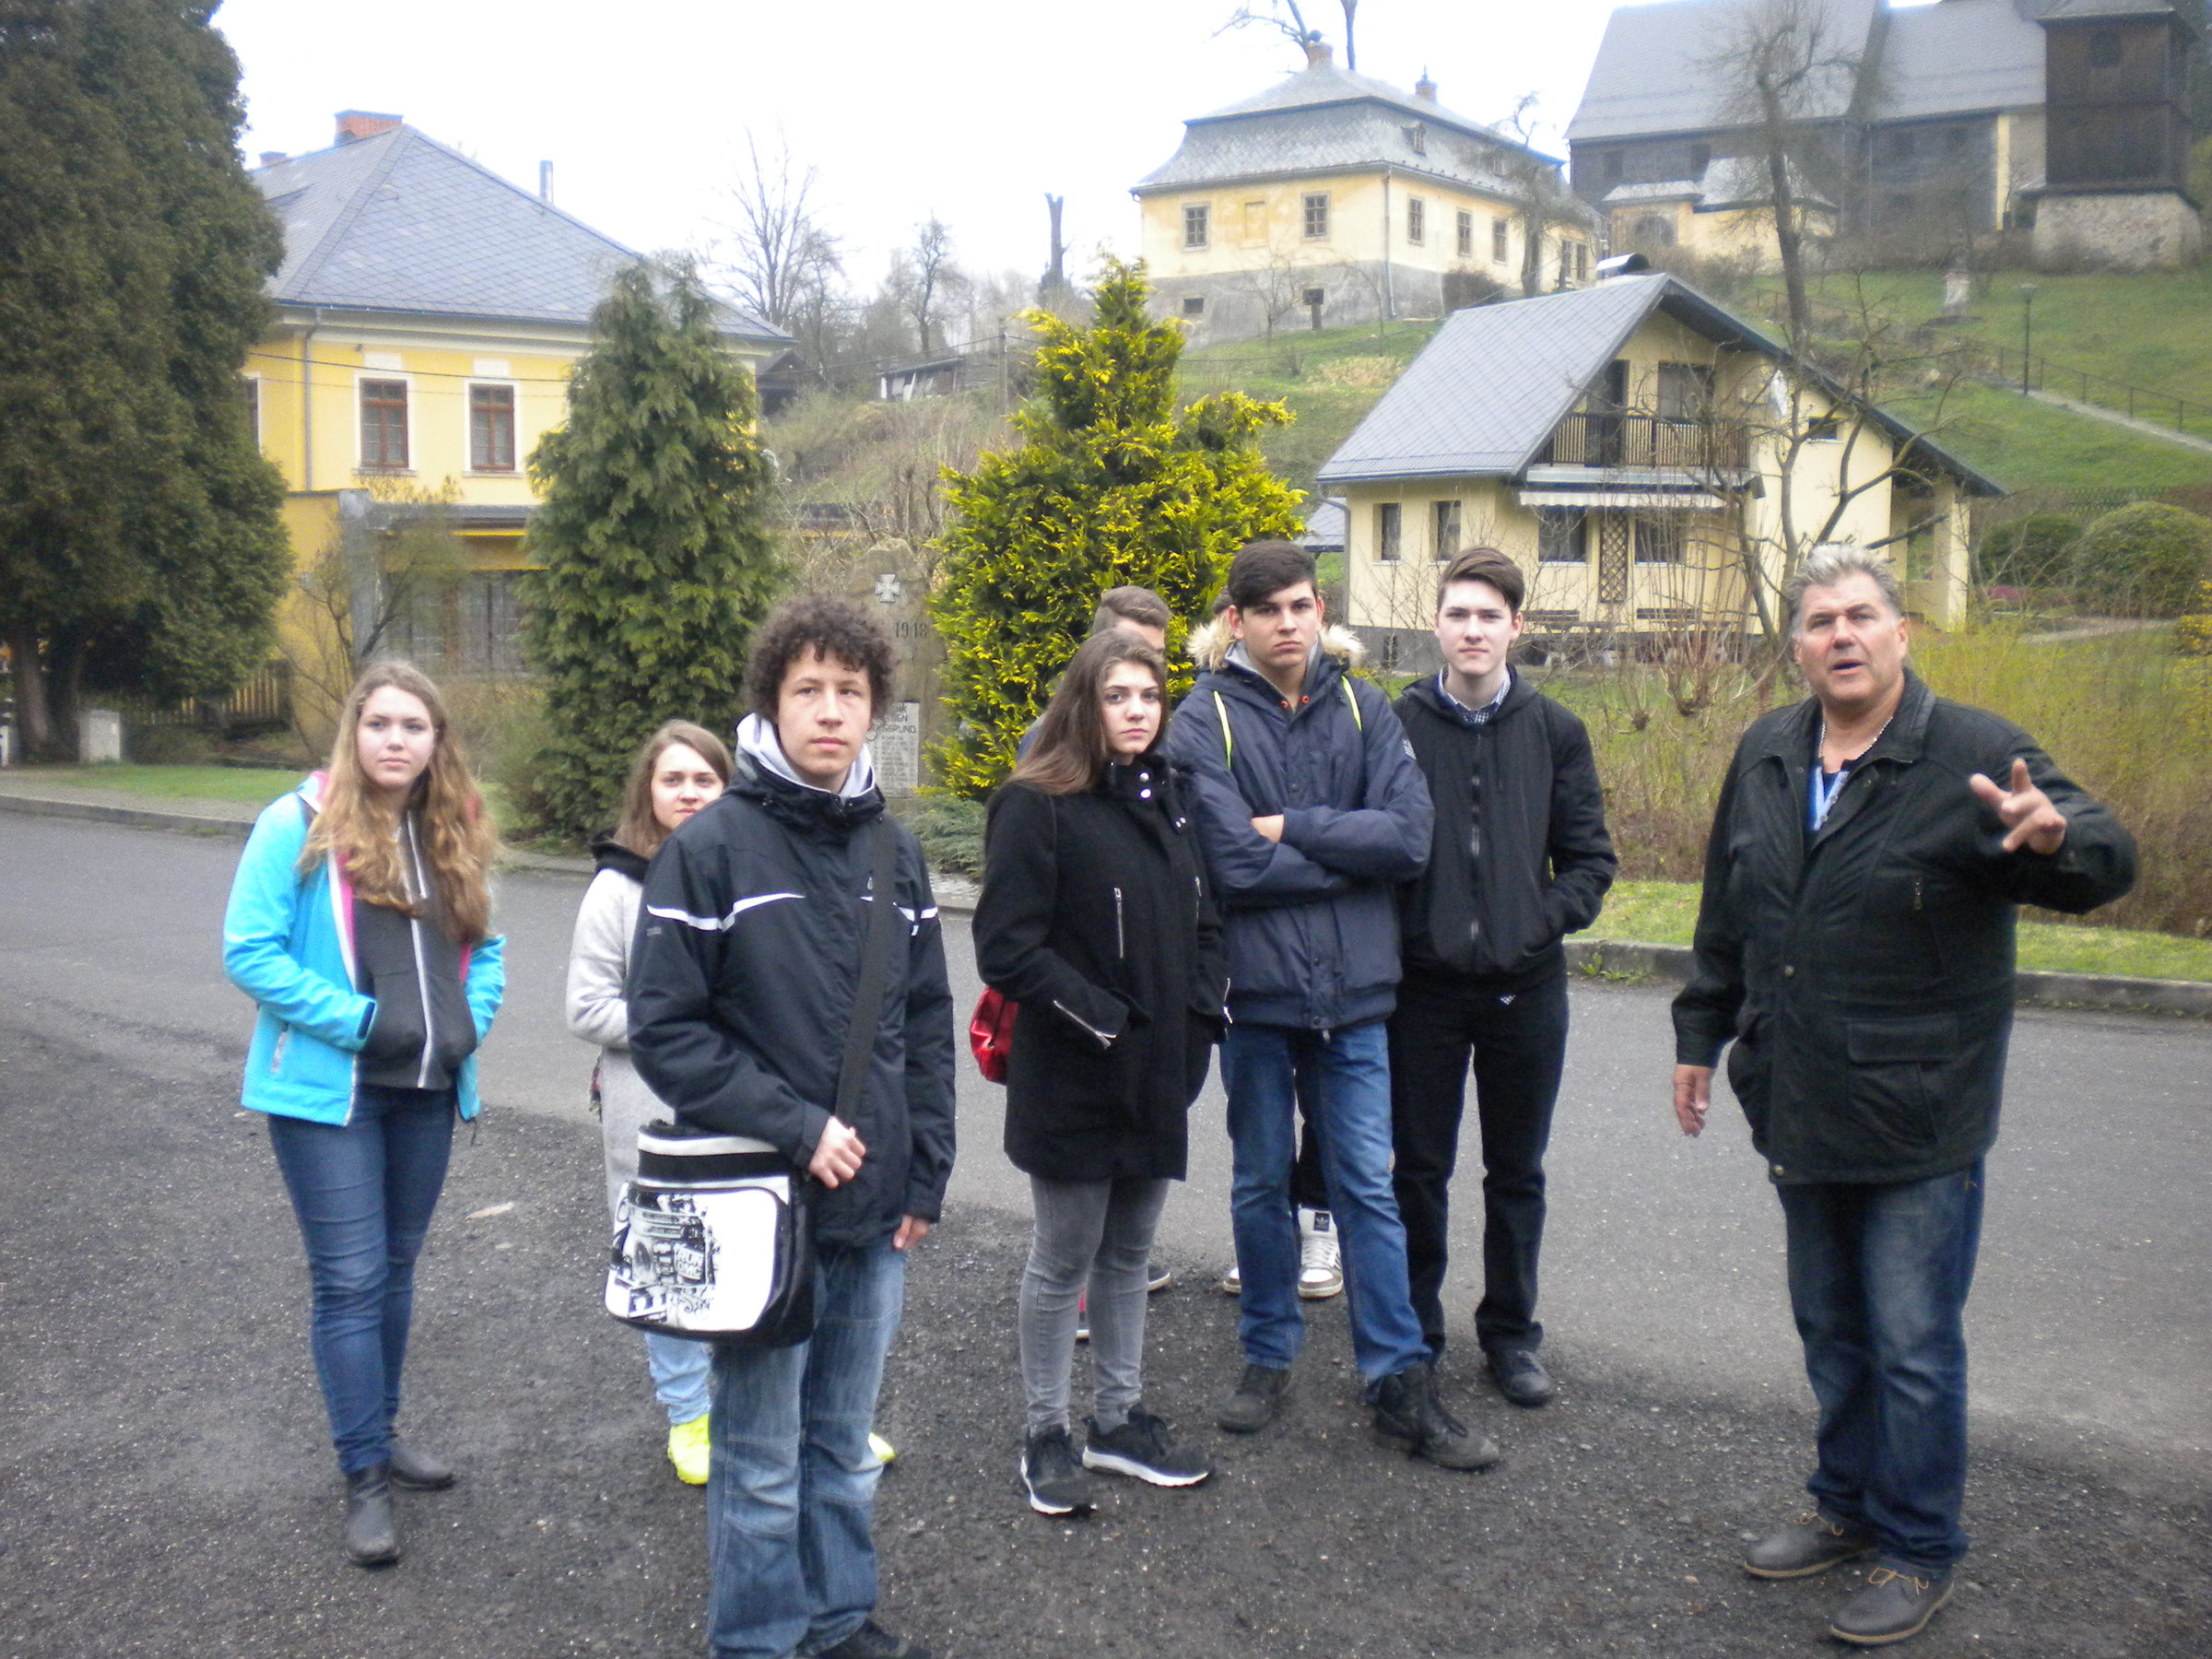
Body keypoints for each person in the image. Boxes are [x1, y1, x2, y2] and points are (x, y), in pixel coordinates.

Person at [1671, 547, 2135, 1648]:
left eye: (1862, 615)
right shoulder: (1769, 750)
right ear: (1796, 646)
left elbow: (2106, 857)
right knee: (1831, 1327)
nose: (1842, 635)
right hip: (1798, 1094)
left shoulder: (1971, 751)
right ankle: (1843, 1506)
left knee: (1913, 1344)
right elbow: (1728, 907)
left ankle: (1919, 1545)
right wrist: (1700, 1033)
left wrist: (2058, 840)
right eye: (1819, 620)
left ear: (1901, 632)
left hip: (1923, 1110)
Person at [629, 595, 955, 1659]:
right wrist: (797, 1124)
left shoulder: (896, 855)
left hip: (874, 1208)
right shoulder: (709, 849)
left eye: (849, 691)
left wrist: (925, 1175)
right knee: (761, 1457)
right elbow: (665, 1031)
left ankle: (838, 1619)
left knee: (842, 1444)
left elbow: (925, 1024)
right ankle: (760, 1639)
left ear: (874, 709)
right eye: (807, 688)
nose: (829, 710)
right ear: (772, 701)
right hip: (754, 1203)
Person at [1167, 539, 1495, 1471]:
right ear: (1236, 621)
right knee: (1260, 1181)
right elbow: (1231, 864)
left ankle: (1398, 1378)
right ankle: (1267, 1354)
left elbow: (1410, 841)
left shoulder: (1364, 707)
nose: (1288, 624)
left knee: (1366, 1188)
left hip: (1355, 999)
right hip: (1257, 999)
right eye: (1267, 609)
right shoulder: (1200, 721)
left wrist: (1294, 830)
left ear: (1320, 609)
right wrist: (1346, 859)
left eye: (1301, 605)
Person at [222, 661, 505, 1568]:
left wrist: (465, 1027)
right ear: (354, 731)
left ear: (435, 741)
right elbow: (250, 951)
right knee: (348, 1279)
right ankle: (363, 1475)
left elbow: (486, 948)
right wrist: (362, 1023)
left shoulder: (451, 826)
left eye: (413, 726)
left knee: (394, 1269)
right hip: (329, 1095)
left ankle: (380, 1432)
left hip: (426, 1091)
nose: (395, 739)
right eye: (380, 723)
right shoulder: (298, 823)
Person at [975, 630, 1227, 1517]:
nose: (1136, 711)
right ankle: (1045, 1432)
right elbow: (1007, 948)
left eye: (1149, 697)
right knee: (1064, 1260)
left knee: (1129, 1255)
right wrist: (1104, 1022)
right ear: (1084, 704)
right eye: (1117, 696)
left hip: (1159, 1072)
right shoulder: (1033, 804)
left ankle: (1117, 1422)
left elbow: (1205, 922)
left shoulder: (1171, 799)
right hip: (1075, 1074)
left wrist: (1200, 1018)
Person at [1389, 549, 1616, 1407]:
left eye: (1489, 615)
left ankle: (1512, 1336)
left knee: (1517, 1171)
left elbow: (1590, 860)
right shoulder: (1398, 725)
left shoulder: (1556, 730)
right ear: (1436, 625)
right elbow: (1376, 843)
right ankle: (1414, 1335)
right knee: (1418, 1171)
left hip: (1527, 989)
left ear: (1516, 626)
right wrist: (1414, 929)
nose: (1473, 630)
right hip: (1424, 990)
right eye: (1459, 614)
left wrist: (1534, 922)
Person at [565, 721, 731, 1485]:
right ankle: (689, 1416)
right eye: (674, 780)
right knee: (668, 1260)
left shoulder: (743, 872)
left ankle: (757, 1409)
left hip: (741, 1100)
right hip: (651, 1101)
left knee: (746, 1247)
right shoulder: (617, 887)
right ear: (649, 791)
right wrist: (681, 1030)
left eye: (704, 780)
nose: (690, 793)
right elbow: (587, 1006)